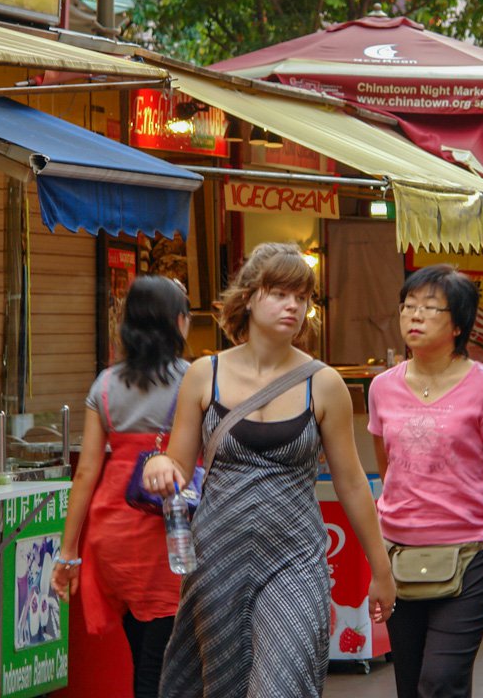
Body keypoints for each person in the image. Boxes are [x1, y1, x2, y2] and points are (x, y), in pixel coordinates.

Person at [142, 242, 395, 697]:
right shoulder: (204, 375)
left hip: (295, 559)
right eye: (280, 293)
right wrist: (159, 465)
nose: (293, 306)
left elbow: (353, 483)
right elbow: (178, 465)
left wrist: (381, 569)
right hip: (217, 559)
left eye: (303, 297)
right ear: (250, 296)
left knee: (282, 686)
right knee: (223, 685)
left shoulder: (325, 383)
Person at [368, 265, 483, 698]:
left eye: (429, 309)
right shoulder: (382, 387)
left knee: (440, 681)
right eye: (408, 307)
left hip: (469, 553)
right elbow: (390, 467)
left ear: (458, 324)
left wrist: (476, 517)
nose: (414, 317)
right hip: (399, 552)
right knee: (410, 683)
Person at [52, 275, 191, 698]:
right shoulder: (194, 379)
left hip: (112, 532)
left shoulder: (105, 386)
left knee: (144, 652)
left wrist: (68, 551)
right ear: (179, 323)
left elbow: (86, 472)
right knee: (162, 662)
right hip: (168, 533)